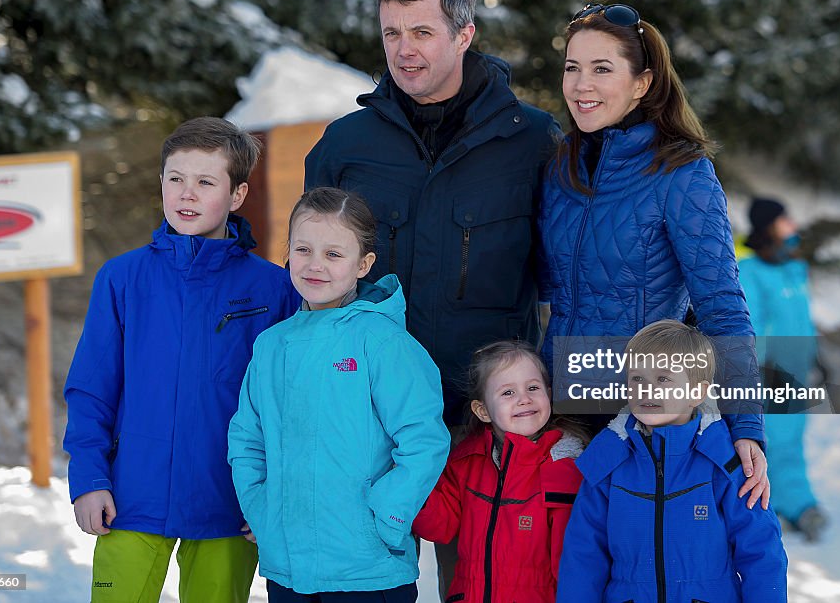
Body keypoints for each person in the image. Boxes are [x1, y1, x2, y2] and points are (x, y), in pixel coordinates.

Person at [304, 0, 560, 428]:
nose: (404, 50)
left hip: (487, 414)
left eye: (422, 32)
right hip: (370, 407)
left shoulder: (531, 141)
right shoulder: (344, 146)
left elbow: (569, 281)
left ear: (464, 35)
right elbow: (308, 277)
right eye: (391, 34)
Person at [537, 2, 769, 508]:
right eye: (572, 68)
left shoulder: (681, 172)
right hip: (561, 418)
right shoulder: (561, 168)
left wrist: (745, 422)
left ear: (642, 83)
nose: (581, 85)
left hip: (644, 416)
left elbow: (722, 305)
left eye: (602, 69)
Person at [63, 117, 302, 603]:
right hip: (131, 497)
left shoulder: (274, 289)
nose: (186, 194)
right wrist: (89, 478)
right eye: (176, 178)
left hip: (229, 503)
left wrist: (272, 492)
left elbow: (288, 403)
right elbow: (92, 388)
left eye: (205, 182)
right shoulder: (122, 279)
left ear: (237, 195)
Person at [228, 187, 450, 602]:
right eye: (303, 250)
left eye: (333, 254)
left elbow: (424, 440)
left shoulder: (383, 343)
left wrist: (386, 517)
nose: (315, 265)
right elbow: (247, 437)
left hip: (367, 570)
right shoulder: (272, 345)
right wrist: (261, 506)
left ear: (363, 264)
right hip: (289, 571)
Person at [558, 320, 788, 603]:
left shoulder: (723, 461)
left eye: (663, 379)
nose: (646, 389)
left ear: (696, 392)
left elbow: (761, 550)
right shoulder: (608, 461)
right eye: (637, 378)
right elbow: (583, 555)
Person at [413, 341, 586, 603]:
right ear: (482, 411)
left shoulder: (565, 467)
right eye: (508, 393)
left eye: (533, 388)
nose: (524, 398)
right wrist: (414, 476)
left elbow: (571, 564)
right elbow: (438, 527)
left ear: (548, 394)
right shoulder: (467, 462)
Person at [739, 197, 828, 542]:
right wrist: (757, 365)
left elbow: (801, 322)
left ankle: (784, 505)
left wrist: (817, 359)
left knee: (791, 436)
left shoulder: (794, 269)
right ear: (767, 227)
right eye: (783, 219)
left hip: (798, 370)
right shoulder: (750, 271)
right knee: (777, 439)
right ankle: (795, 507)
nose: (792, 225)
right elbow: (752, 322)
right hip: (769, 371)